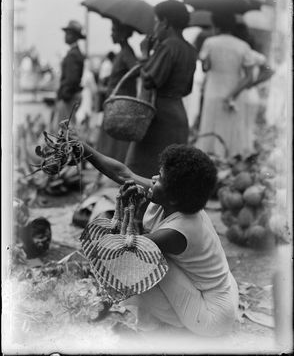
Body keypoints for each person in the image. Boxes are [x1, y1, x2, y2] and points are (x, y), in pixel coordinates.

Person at [58, 120, 239, 337]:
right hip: (216, 291)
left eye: (159, 178)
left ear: (173, 194)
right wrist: (83, 148)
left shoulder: (178, 230)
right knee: (151, 260)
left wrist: (130, 213)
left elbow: (124, 254)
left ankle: (153, 332)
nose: (153, 179)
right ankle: (167, 326)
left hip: (212, 315)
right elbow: (124, 175)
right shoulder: (172, 198)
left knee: (144, 264)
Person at [125, 0, 197, 178]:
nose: (155, 26)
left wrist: (144, 54)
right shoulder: (190, 49)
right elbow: (187, 89)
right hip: (178, 113)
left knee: (143, 171)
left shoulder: (168, 46)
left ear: (165, 22)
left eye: (157, 21)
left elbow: (149, 80)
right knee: (169, 173)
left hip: (158, 116)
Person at [196, 12, 267, 158]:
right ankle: (227, 163)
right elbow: (248, 78)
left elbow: (205, 67)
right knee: (230, 130)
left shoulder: (210, 42)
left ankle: (208, 159)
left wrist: (207, 61)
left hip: (212, 89)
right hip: (234, 90)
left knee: (209, 126)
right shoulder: (243, 46)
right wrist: (232, 95)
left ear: (216, 25)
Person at [97, 20, 138, 164]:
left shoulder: (126, 51)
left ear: (122, 34)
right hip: (115, 101)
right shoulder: (122, 52)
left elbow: (136, 69)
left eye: (114, 31)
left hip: (121, 104)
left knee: (118, 140)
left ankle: (118, 167)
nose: (111, 34)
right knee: (112, 140)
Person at [51, 20, 86, 131]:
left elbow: (72, 80)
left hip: (69, 97)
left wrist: (63, 95)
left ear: (74, 36)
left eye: (68, 33)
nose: (65, 36)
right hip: (71, 96)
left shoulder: (73, 54)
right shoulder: (74, 53)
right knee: (67, 129)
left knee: (65, 131)